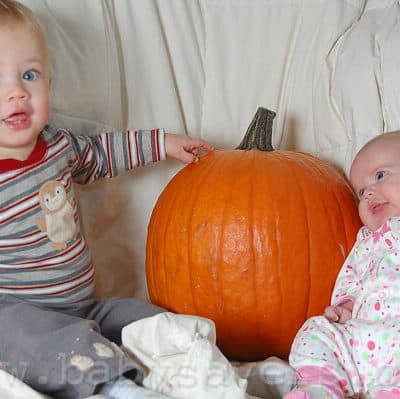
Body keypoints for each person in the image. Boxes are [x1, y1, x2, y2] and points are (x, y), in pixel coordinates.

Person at [0, 1, 214, 398]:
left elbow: (103, 153)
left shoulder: (58, 147)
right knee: (24, 338)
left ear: (49, 84)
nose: (16, 93)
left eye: (29, 75)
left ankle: (209, 372)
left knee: (153, 323)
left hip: (85, 308)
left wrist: (163, 143)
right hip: (17, 315)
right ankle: (116, 388)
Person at [283, 132, 400, 399]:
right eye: (360, 192)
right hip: (364, 340)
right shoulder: (366, 241)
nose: (369, 192)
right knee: (317, 331)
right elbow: (352, 279)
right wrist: (345, 307)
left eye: (381, 175)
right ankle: (320, 388)